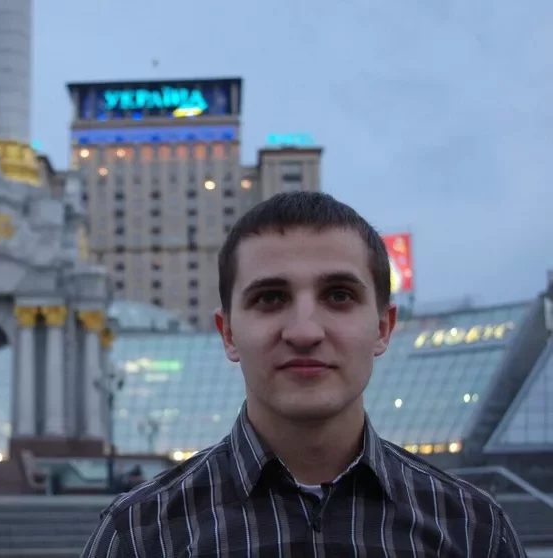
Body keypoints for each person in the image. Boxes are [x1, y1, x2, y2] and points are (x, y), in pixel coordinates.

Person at [81, 192, 526, 557]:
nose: (304, 332)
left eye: (339, 295)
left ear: (383, 328)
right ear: (229, 333)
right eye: (270, 298)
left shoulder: (473, 530)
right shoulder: (140, 535)